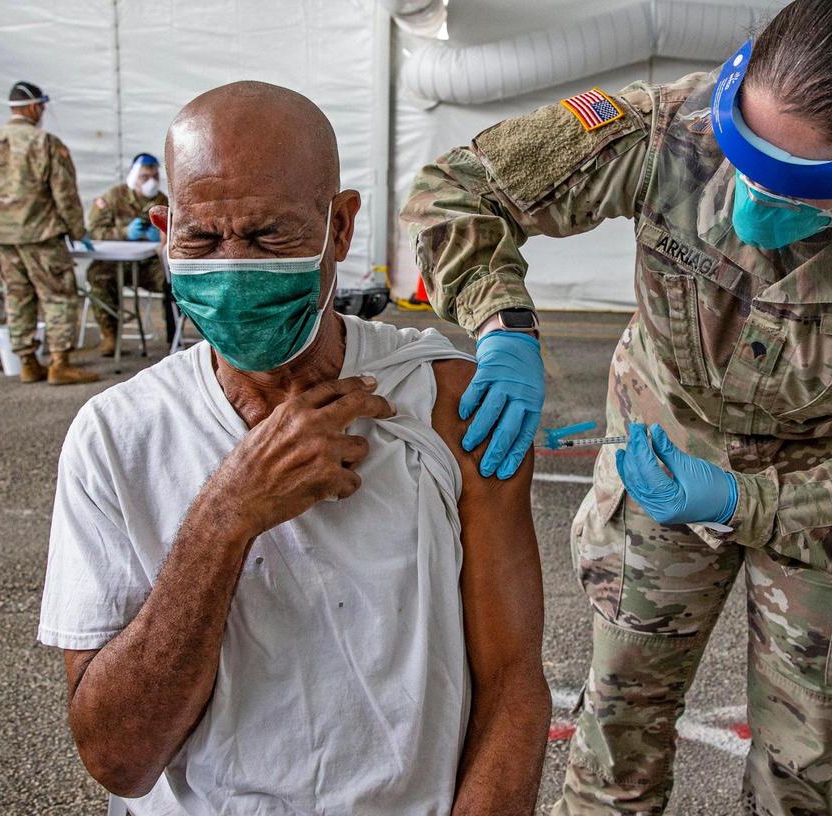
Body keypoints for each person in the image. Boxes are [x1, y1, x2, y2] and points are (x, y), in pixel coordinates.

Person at [403, 0, 832, 812]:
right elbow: (462, 189)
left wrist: (742, 500)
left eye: (797, 187)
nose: (750, 204)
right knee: (619, 717)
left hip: (831, 500)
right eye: (744, 154)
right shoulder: (671, 128)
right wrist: (503, 325)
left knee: (807, 760)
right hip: (662, 452)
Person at [38, 81, 550, 815]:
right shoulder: (117, 437)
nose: (235, 267)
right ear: (164, 229)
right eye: (204, 240)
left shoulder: (443, 404)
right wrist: (229, 511)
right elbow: (119, 760)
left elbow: (511, 687)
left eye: (268, 235)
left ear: (339, 228)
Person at [0, 81, 98, 385]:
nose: (42, 112)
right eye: (41, 106)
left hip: (3, 238)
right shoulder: (45, 143)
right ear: (32, 107)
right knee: (58, 297)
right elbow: (64, 193)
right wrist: (77, 229)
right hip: (42, 237)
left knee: (17, 298)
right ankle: (59, 363)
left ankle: (27, 361)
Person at [86, 153, 171, 356]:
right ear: (133, 177)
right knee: (98, 275)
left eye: (154, 176)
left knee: (173, 282)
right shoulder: (114, 197)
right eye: (144, 177)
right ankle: (110, 336)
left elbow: (175, 231)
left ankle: (173, 338)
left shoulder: (162, 200)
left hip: (148, 265)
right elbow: (95, 231)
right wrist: (124, 233)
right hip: (115, 264)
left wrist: (160, 235)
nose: (151, 181)